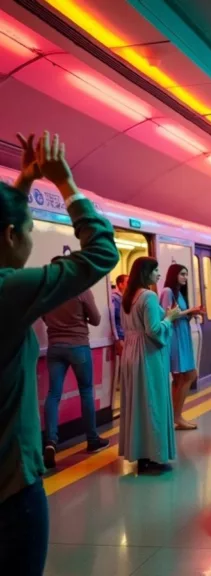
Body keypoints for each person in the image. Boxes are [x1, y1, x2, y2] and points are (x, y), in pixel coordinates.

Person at [0, 132, 119, 575]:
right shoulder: (10, 291)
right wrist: (64, 182)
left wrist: (23, 187)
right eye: (30, 229)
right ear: (11, 234)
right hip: (11, 483)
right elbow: (102, 252)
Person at [119, 258, 181, 474]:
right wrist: (170, 318)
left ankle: (140, 453)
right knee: (153, 402)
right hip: (148, 354)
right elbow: (153, 330)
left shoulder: (128, 296)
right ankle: (154, 454)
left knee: (137, 404)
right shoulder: (149, 296)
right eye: (155, 270)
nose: (158, 274)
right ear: (146, 273)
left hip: (130, 353)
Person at [42, 282, 109, 469]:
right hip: (78, 345)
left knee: (53, 394)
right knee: (86, 391)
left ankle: (50, 442)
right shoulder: (81, 289)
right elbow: (95, 319)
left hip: (54, 346)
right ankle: (92, 439)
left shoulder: (48, 290)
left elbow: (44, 317)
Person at [160, 264, 204, 431]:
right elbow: (166, 315)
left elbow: (179, 316)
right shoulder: (167, 292)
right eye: (182, 274)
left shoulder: (179, 294)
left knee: (180, 379)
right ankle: (176, 416)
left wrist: (192, 313)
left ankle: (173, 415)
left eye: (186, 274)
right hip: (174, 339)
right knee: (189, 375)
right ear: (174, 275)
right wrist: (189, 311)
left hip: (182, 337)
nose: (185, 277)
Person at [111, 274, 127, 355]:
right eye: (128, 282)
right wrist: (117, 339)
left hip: (127, 336)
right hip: (121, 336)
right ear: (120, 285)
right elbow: (112, 319)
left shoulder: (126, 299)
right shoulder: (115, 299)